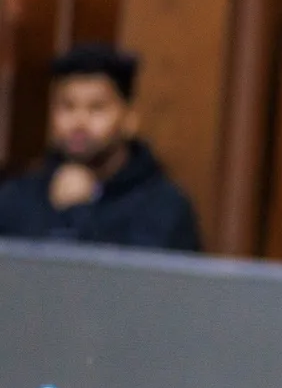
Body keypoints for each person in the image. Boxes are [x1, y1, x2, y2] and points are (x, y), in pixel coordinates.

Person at [0, 44, 201, 252]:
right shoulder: (17, 198)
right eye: (67, 106)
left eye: (97, 108)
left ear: (129, 119)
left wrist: (77, 213)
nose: (79, 122)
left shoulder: (163, 208)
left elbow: (137, 280)